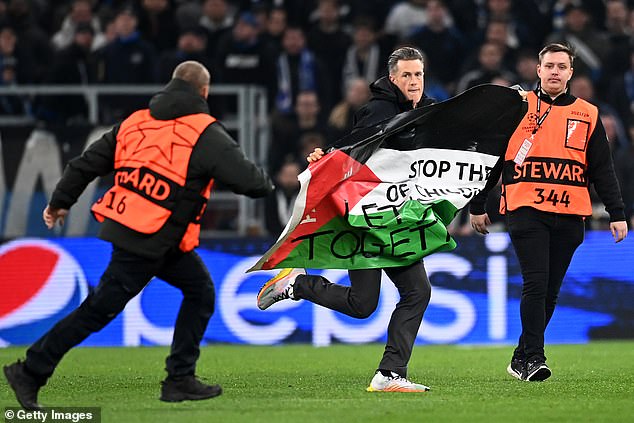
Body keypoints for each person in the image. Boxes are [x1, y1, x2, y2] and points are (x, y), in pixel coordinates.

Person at [3, 61, 274, 410]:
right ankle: (30, 370)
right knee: (98, 311)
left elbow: (84, 164)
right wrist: (265, 181)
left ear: (172, 84)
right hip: (150, 239)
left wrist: (59, 203)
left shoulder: (136, 122)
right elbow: (251, 182)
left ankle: (180, 379)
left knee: (200, 291)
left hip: (139, 230)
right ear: (204, 92)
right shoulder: (203, 132)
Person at [258, 46, 434, 393]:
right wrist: (328, 158)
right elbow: (355, 148)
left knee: (398, 295)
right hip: (365, 217)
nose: (414, 81)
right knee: (380, 300)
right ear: (393, 78)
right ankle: (297, 284)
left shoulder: (427, 110)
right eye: (407, 75)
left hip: (396, 217)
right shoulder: (378, 110)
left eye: (419, 74)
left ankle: (389, 373)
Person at [469, 43, 628, 382]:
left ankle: (521, 355)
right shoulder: (517, 106)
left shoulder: (588, 113)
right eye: (549, 66)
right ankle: (534, 358)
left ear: (571, 73)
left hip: (571, 212)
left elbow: (602, 169)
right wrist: (478, 203)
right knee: (536, 284)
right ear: (537, 70)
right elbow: (493, 157)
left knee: (551, 291)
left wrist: (617, 213)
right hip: (526, 208)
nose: (555, 71)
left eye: (562, 66)